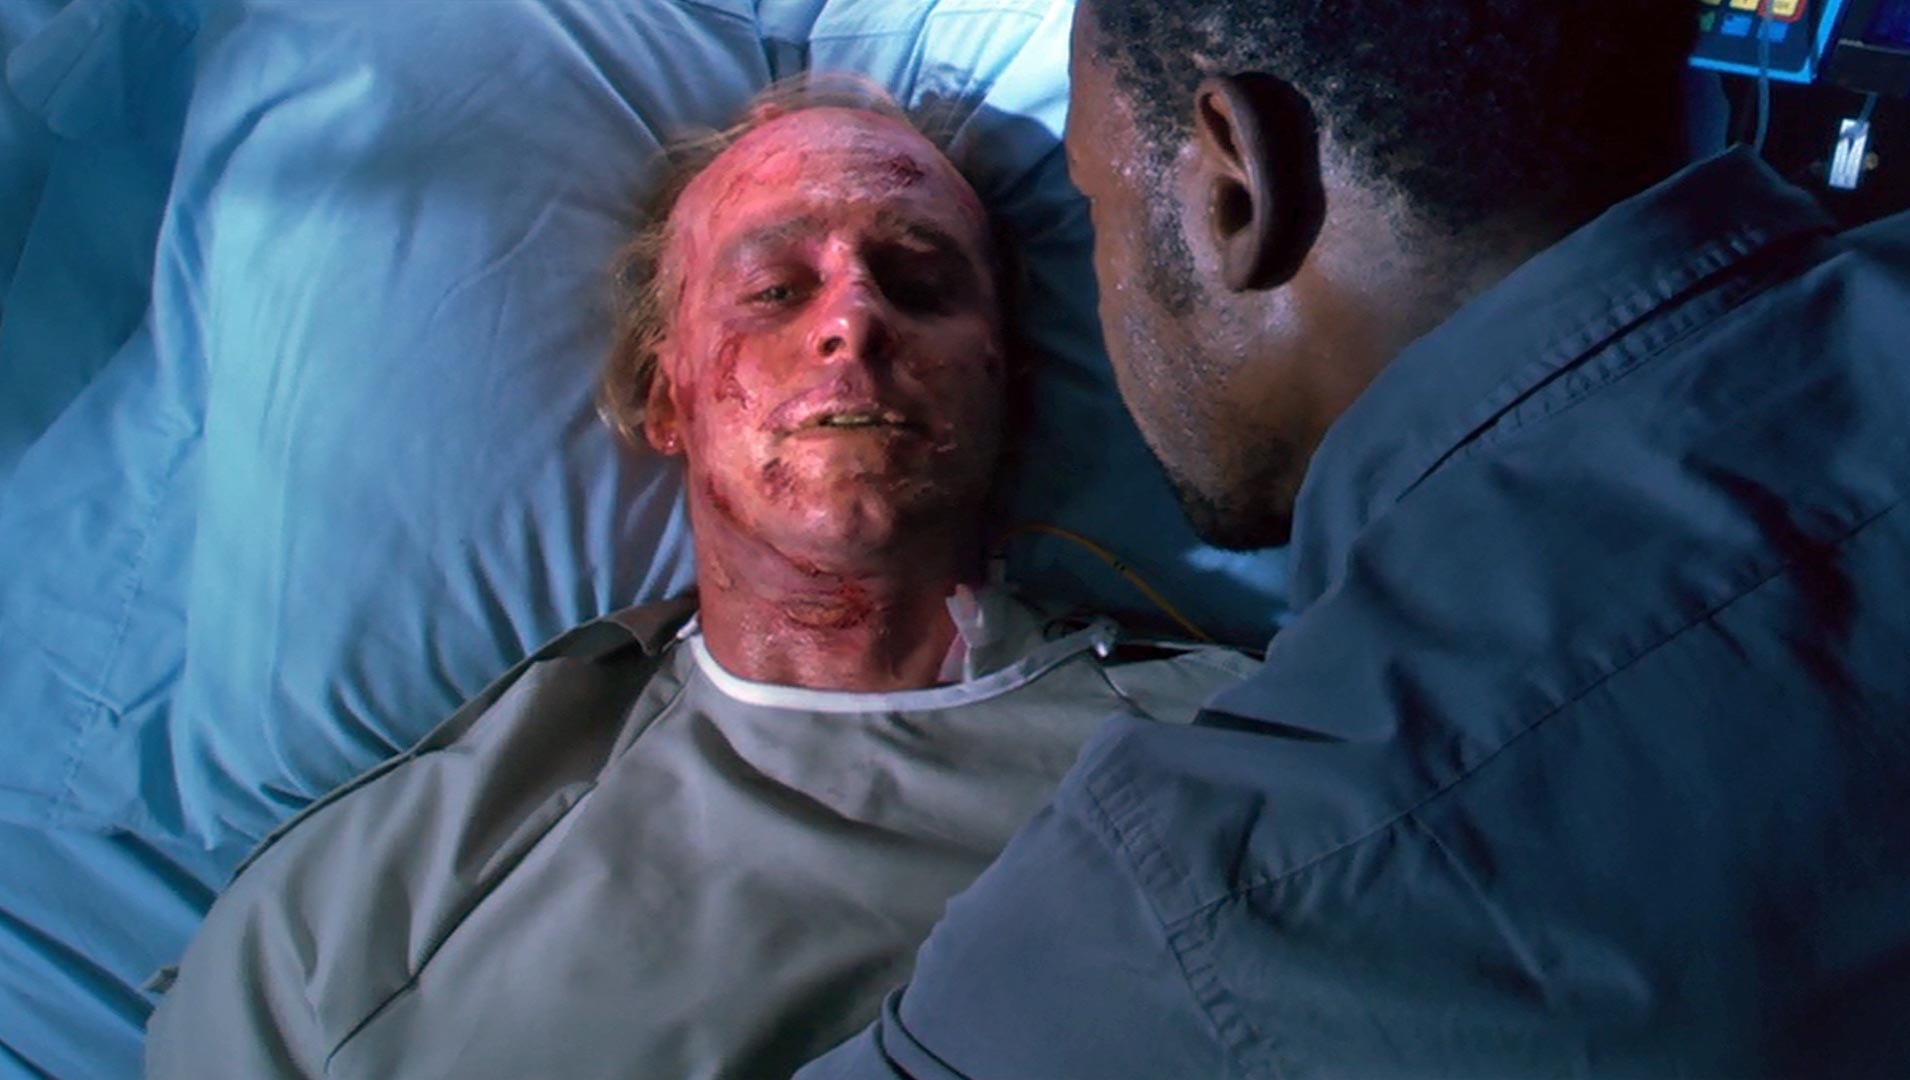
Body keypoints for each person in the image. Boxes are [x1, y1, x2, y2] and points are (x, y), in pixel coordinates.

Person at [799, 3, 1910, 1078]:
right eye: (774, 287)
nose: (852, 327)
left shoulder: (1225, 910)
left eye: (1092, 206)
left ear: (1237, 190)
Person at [142, 82, 1256, 1080]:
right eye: (774, 289)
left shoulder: (1244, 759)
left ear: (1005, 379)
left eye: (921, 284)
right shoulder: (352, 923)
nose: (854, 318)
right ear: (662, 394)